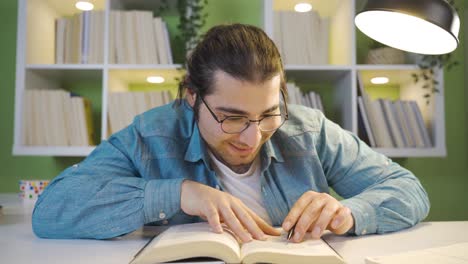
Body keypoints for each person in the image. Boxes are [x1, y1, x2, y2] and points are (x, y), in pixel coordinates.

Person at [32, 24, 430, 243]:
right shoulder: (150, 134)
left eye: (268, 114)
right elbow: (53, 209)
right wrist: (180, 192)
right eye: (231, 117)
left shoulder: (309, 130)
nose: (252, 137)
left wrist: (349, 214)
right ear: (192, 96)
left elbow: (408, 188)